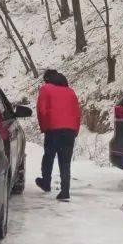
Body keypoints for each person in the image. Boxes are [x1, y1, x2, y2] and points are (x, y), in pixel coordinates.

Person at [35, 69, 81, 201]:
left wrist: (44, 127)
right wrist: (75, 130)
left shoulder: (46, 89)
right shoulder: (71, 92)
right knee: (65, 161)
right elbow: (77, 113)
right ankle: (65, 191)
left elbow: (41, 110)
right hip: (70, 130)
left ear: (47, 79)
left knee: (49, 156)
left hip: (53, 128)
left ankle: (46, 183)